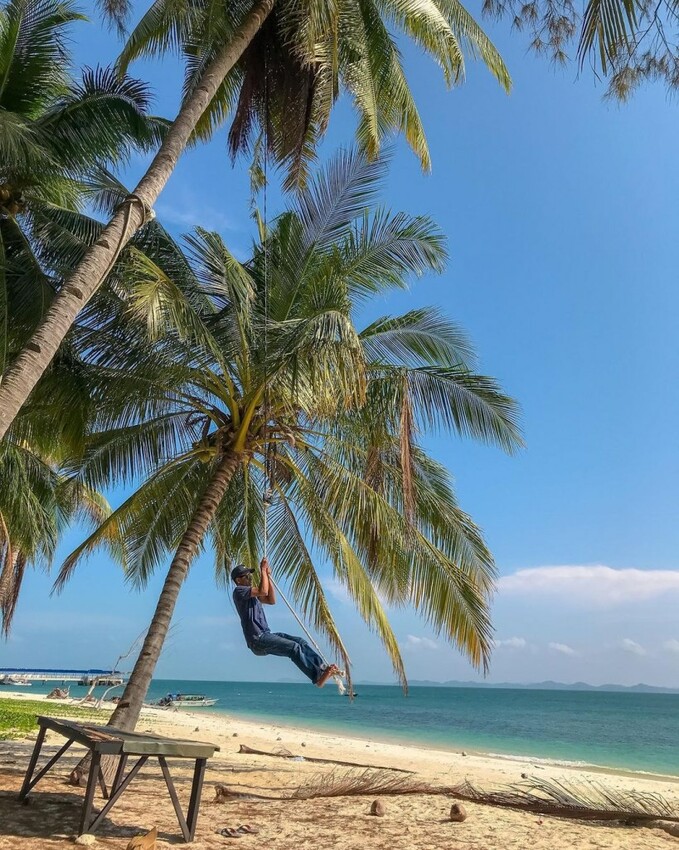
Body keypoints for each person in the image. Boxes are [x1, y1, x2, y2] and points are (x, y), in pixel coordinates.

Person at [232, 559, 340, 688]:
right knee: (293, 648)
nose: (250, 578)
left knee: (300, 641)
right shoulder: (239, 591)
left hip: (265, 634)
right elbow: (263, 591)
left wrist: (268, 577)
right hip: (257, 640)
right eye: (247, 576)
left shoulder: (250, 594)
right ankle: (317, 678)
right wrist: (263, 571)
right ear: (238, 580)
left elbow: (271, 600)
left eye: (250, 575)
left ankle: (321, 669)